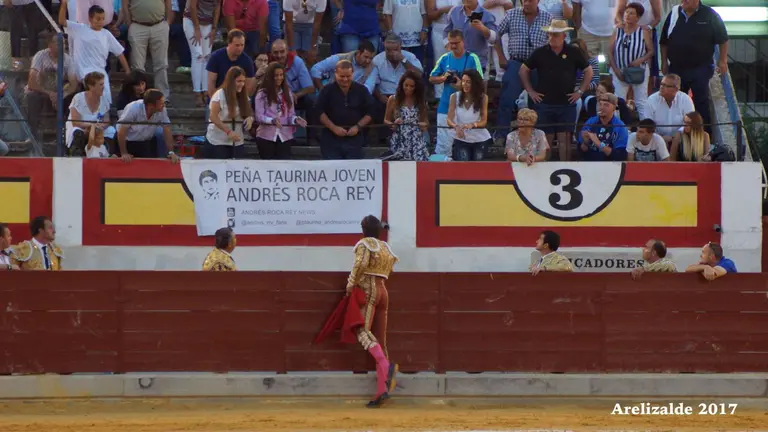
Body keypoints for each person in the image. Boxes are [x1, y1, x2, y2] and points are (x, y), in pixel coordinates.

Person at [346, 215, 399, 408]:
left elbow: (360, 265)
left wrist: (351, 285)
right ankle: (381, 391)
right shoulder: (385, 247)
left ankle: (386, 368)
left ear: (364, 229)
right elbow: (391, 266)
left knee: (362, 331)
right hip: (384, 289)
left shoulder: (364, 244)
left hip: (369, 289)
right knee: (380, 340)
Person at [521, 19, 591, 162]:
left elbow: (588, 71)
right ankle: (545, 169)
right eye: (550, 34)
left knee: (564, 140)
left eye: (555, 35)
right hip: (544, 102)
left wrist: (580, 92)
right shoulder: (540, 52)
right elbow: (523, 70)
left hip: (566, 102)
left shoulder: (574, 51)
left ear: (564, 36)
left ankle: (565, 167)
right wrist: (530, 91)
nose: (552, 37)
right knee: (545, 141)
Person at [660, 0, 729, 134]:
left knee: (701, 102)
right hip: (677, 68)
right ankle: (677, 136)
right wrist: (663, 62)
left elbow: (723, 39)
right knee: (677, 102)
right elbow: (664, 41)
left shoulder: (710, 14)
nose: (683, 1)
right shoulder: (674, 13)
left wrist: (723, 60)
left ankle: (704, 136)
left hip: (701, 68)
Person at [494, 0, 552, 139]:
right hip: (516, 63)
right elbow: (496, 35)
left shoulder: (547, 17)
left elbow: (554, 40)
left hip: (537, 65)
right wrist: (501, 56)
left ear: (537, 1)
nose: (526, 3)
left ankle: (536, 137)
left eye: (530, 0)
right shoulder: (511, 14)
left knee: (538, 102)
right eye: (524, 0)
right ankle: (501, 136)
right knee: (506, 100)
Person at [58, 3, 131, 106]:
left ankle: (103, 117)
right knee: (94, 89)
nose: (101, 22)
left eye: (102, 19)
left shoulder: (106, 34)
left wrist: (128, 71)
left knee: (104, 95)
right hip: (82, 70)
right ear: (90, 18)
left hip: (100, 71)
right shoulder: (79, 28)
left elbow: (119, 53)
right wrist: (64, 5)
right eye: (98, 19)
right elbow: (62, 21)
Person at [429, 30, 483, 157]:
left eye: (456, 43)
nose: (453, 46)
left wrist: (462, 86)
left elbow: (480, 82)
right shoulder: (444, 58)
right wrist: (443, 78)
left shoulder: (472, 58)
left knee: (467, 145)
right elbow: (431, 78)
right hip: (446, 106)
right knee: (443, 145)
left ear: (463, 42)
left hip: (467, 107)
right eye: (451, 43)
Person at [25, 34, 79, 144]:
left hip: (59, 92)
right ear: (50, 45)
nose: (63, 46)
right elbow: (31, 82)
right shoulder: (40, 56)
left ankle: (66, 135)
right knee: (31, 96)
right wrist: (49, 93)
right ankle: (32, 134)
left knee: (73, 97)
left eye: (64, 43)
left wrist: (63, 95)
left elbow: (74, 83)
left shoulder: (67, 59)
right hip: (41, 90)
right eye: (59, 43)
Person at [316, 60, 374, 159]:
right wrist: (334, 128)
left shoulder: (361, 90)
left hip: (355, 138)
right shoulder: (327, 90)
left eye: (348, 76)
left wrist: (358, 126)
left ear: (353, 74)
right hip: (331, 138)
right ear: (335, 74)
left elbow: (371, 112)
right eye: (342, 76)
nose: (345, 79)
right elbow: (319, 111)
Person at [608, 2, 653, 120]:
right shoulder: (617, 30)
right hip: (620, 69)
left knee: (641, 101)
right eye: (626, 12)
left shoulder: (643, 31)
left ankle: (645, 126)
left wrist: (640, 60)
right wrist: (616, 70)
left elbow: (651, 51)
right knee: (618, 100)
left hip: (639, 70)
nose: (627, 15)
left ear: (638, 17)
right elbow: (610, 52)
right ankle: (618, 126)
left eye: (631, 13)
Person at [253, 62, 308, 159]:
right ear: (270, 76)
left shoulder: (288, 93)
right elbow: (259, 116)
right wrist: (272, 121)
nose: (279, 78)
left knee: (283, 168)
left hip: (284, 136)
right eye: (276, 75)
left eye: (281, 75)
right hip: (266, 136)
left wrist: (296, 120)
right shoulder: (262, 94)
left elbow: (290, 115)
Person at [122, 0, 172, 102]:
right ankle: (139, 96)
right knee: (137, 65)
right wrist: (129, 23)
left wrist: (167, 23)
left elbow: (168, 3)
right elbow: (125, 4)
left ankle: (162, 96)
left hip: (159, 25)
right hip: (137, 25)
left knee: (161, 64)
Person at [116, 89, 180, 162]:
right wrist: (124, 153)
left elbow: (167, 129)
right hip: (126, 141)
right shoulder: (133, 108)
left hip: (144, 143)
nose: (164, 105)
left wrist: (171, 152)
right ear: (151, 105)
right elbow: (122, 131)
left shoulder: (162, 110)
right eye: (161, 103)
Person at [206, 67, 255, 159]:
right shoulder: (219, 94)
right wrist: (228, 131)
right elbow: (213, 117)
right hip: (218, 141)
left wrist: (250, 118)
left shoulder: (244, 95)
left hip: (237, 141)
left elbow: (249, 112)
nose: (242, 84)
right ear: (231, 81)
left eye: (243, 81)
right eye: (239, 81)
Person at [383, 70, 429, 161]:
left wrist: (424, 125)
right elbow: (386, 120)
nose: (408, 88)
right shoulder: (393, 99)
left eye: (412, 86)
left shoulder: (421, 101)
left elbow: (425, 122)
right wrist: (393, 124)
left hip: (416, 139)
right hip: (400, 138)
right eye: (406, 85)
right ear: (401, 85)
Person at [446, 69, 491, 161]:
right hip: (461, 138)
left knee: (477, 168)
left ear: (475, 83)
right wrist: (456, 127)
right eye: (463, 81)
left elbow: (483, 121)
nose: (464, 84)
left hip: (479, 139)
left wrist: (473, 125)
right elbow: (449, 119)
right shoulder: (454, 97)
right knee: (463, 166)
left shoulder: (483, 98)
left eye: (468, 82)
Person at [183, 0, 221, 107]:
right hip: (191, 21)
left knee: (207, 57)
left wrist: (214, 28)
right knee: (198, 56)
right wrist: (196, 28)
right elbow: (193, 6)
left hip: (207, 22)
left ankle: (206, 91)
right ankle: (197, 93)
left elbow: (217, 6)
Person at [66, 72, 112, 157]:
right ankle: (76, 156)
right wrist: (91, 126)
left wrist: (99, 127)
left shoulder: (105, 99)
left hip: (97, 130)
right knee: (77, 132)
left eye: (103, 84)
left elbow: (106, 121)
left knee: (111, 131)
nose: (103, 87)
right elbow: (75, 122)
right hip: (81, 128)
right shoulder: (78, 98)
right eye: (101, 84)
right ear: (91, 86)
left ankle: (108, 156)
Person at [443, 0, 498, 69]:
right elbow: (446, 31)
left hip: (477, 64)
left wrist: (483, 28)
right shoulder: (454, 11)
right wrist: (448, 44)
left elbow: (494, 39)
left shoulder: (486, 14)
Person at [310, 40, 377, 94]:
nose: (368, 61)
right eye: (366, 57)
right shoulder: (340, 58)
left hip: (355, 98)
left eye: (371, 58)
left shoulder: (372, 67)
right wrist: (322, 91)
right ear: (359, 53)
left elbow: (368, 89)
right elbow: (315, 69)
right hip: (333, 94)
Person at [206, 29, 258, 99]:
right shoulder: (215, 58)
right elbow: (211, 91)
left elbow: (248, 91)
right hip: (218, 97)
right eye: (237, 45)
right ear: (229, 43)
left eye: (242, 45)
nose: (240, 48)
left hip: (238, 99)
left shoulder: (247, 61)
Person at [645, 73, 695, 145]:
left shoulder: (686, 99)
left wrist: (675, 138)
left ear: (676, 88)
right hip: (655, 140)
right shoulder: (652, 100)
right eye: (661, 84)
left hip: (681, 139)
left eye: (666, 86)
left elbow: (690, 123)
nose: (662, 87)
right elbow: (647, 124)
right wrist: (660, 138)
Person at [426, 0, 462, 96]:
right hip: (439, 29)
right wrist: (443, 10)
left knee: (458, 61)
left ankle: (458, 94)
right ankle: (440, 95)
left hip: (457, 30)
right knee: (440, 62)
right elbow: (430, 15)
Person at [579, 93, 628, 161]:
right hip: (590, 163)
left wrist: (598, 143)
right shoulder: (590, 122)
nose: (601, 107)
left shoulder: (620, 127)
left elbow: (620, 156)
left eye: (606, 105)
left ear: (614, 108)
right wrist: (585, 143)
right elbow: (581, 150)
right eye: (600, 104)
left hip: (611, 165)